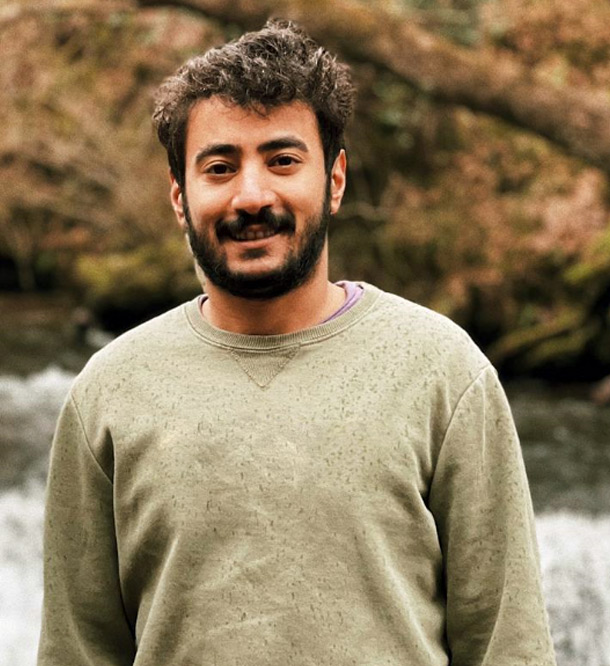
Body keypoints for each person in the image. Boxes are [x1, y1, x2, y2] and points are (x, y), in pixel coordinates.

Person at [38, 19, 556, 666]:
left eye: (282, 161)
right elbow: (77, 651)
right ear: (179, 197)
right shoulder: (107, 393)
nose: (252, 196)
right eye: (220, 168)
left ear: (334, 181)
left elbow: (509, 645)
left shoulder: (444, 372)